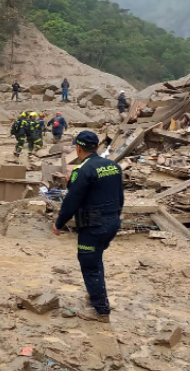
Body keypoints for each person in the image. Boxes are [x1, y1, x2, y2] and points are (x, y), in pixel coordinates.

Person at [53, 131, 124, 323]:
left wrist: (59, 223)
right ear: (97, 147)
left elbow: (71, 202)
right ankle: (96, 294)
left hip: (93, 225)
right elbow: (120, 196)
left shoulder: (82, 171)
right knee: (96, 258)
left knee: (89, 265)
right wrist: (115, 218)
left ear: (78, 148)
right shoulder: (113, 166)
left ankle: (101, 311)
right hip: (112, 222)